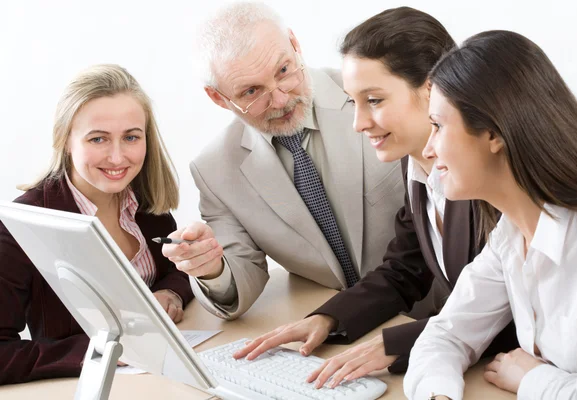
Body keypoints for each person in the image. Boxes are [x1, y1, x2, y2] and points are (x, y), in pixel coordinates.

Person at [233, 6, 517, 387]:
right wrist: (328, 319)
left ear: (435, 88)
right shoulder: (415, 167)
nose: (358, 123)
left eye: (375, 100)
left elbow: (514, 310)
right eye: (355, 102)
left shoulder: (493, 176)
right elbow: (404, 269)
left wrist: (398, 343)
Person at [162, 2, 406, 320]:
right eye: (252, 91)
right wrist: (210, 268)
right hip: (338, 329)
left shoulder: (374, 96)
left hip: (437, 312)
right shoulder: (215, 169)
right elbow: (241, 273)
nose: (280, 99)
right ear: (218, 97)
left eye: (283, 71)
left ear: (295, 44)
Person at [404, 30, 577, 400]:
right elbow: (445, 335)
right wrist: (438, 396)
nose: (428, 149)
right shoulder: (510, 235)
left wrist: (531, 379)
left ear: (493, 132)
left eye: (438, 125)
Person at [0, 64, 195, 385]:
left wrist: (170, 294)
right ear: (65, 140)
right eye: (98, 139)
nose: (118, 158)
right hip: (81, 386)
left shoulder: (146, 204)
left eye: (131, 137)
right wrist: (102, 350)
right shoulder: (19, 226)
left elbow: (174, 270)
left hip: (159, 378)